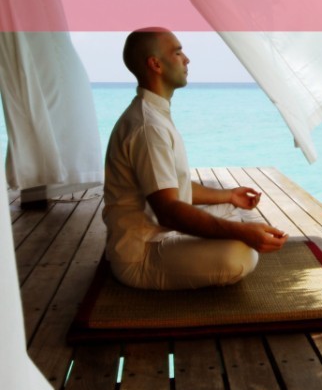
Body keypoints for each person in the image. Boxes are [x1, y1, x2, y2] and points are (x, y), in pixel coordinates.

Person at [102, 27, 288, 290]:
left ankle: (221, 231)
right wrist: (242, 233)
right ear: (156, 64)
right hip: (140, 254)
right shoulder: (149, 127)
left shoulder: (153, 114)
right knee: (242, 255)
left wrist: (230, 195)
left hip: (158, 232)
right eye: (178, 53)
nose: (186, 59)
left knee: (231, 211)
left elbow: (173, 186)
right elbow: (168, 212)